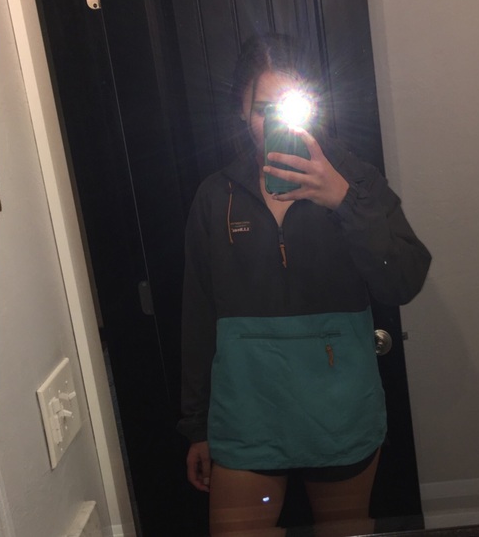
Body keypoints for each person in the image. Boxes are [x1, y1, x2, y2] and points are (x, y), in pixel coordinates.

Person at [178, 33, 431, 536]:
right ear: (243, 112)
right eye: (263, 110)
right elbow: (198, 314)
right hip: (246, 413)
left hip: (340, 410)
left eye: (290, 107)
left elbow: (403, 279)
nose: (276, 122)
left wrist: (343, 200)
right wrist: (197, 426)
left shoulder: (356, 180)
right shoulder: (215, 196)